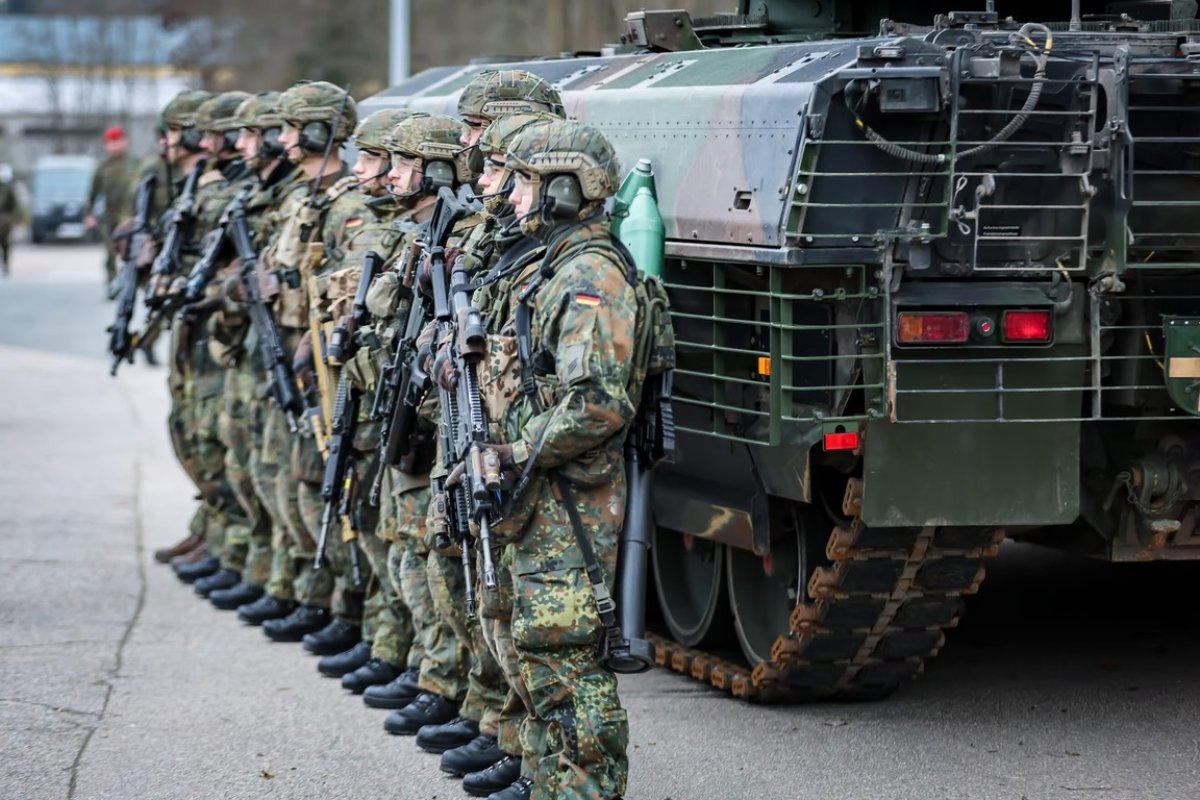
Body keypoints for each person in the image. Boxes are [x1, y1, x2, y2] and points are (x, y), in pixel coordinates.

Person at [473, 119, 636, 800]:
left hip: (571, 496)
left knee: (565, 657)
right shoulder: (551, 265)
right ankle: (546, 778)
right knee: (534, 647)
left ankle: (589, 787)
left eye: (526, 182)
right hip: (539, 490)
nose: (510, 196)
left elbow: (598, 402)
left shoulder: (590, 278)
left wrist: (513, 451)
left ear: (566, 190)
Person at [86, 126, 137, 287]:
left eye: (117, 142)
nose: (114, 146)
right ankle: (112, 282)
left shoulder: (136, 164)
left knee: (132, 252)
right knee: (110, 253)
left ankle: (131, 282)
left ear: (125, 142)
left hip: (132, 216)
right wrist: (89, 215)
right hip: (110, 217)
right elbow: (93, 194)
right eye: (110, 143)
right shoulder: (102, 168)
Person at [0, 164, 17, 276]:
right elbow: (14, 205)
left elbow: (14, 205)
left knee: (5, 244)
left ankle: (6, 265)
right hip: (6, 220)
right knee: (6, 244)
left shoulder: (9, 189)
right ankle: (5, 265)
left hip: (5, 221)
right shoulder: (9, 189)